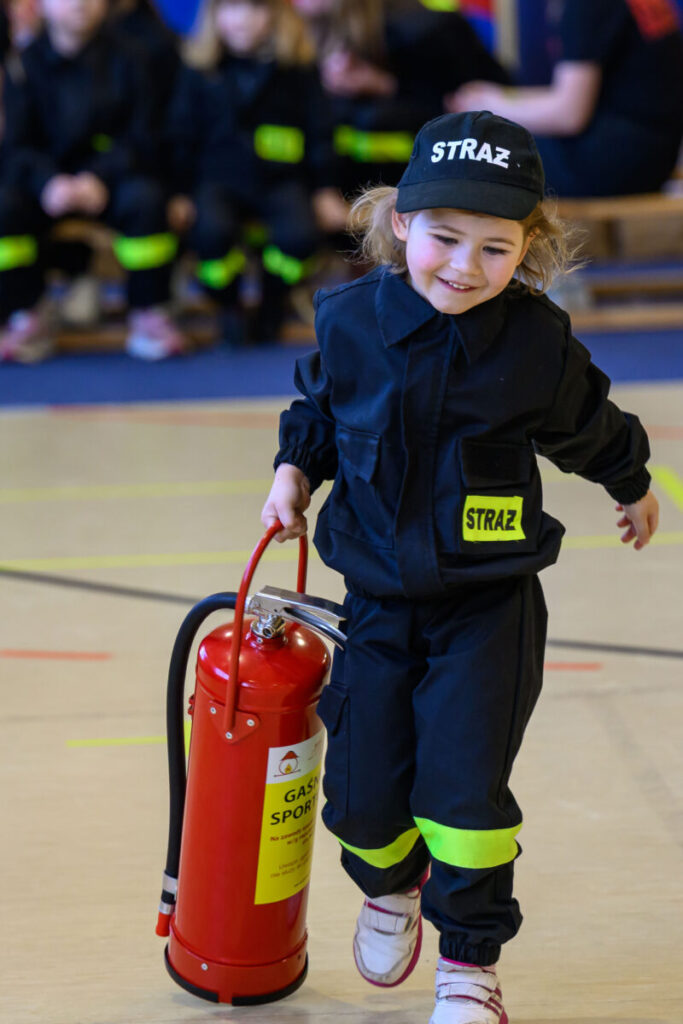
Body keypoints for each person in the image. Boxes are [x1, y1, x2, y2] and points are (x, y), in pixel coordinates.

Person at [260, 110, 659, 1024]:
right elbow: (318, 407)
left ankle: (468, 961)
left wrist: (629, 481)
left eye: (493, 247)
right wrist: (292, 472)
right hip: (376, 600)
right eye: (444, 239)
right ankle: (390, 884)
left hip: (489, 605)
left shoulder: (534, 343)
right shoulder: (353, 321)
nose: (463, 268)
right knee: (361, 799)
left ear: (527, 246)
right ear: (401, 224)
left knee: (464, 794)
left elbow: (587, 422)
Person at [0, 0, 185, 362]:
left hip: (111, 180)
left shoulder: (132, 57)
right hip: (47, 186)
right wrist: (47, 182)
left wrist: (98, 179)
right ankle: (26, 313)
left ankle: (149, 311)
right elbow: (16, 146)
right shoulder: (22, 65)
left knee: (146, 199)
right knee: (5, 207)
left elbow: (143, 137)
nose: (80, 3)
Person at [165, 0, 346, 345]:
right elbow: (181, 135)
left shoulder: (297, 68)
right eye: (231, 9)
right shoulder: (198, 69)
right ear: (214, 17)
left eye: (255, 9)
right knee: (210, 235)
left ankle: (272, 300)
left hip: (281, 180)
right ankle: (228, 306)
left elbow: (320, 133)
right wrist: (180, 192)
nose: (242, 20)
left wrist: (325, 189)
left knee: (300, 238)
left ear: (276, 15)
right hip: (217, 180)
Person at [447, 0, 683, 197]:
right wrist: (497, 98)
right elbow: (576, 96)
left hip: (615, 164)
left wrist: (488, 106)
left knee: (469, 151)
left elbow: (569, 115)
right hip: (652, 156)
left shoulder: (587, 5)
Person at [291, 0, 511, 196]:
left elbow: (462, 109)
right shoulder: (310, 32)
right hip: (355, 196)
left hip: (435, 186)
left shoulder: (419, 28)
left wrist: (383, 85)